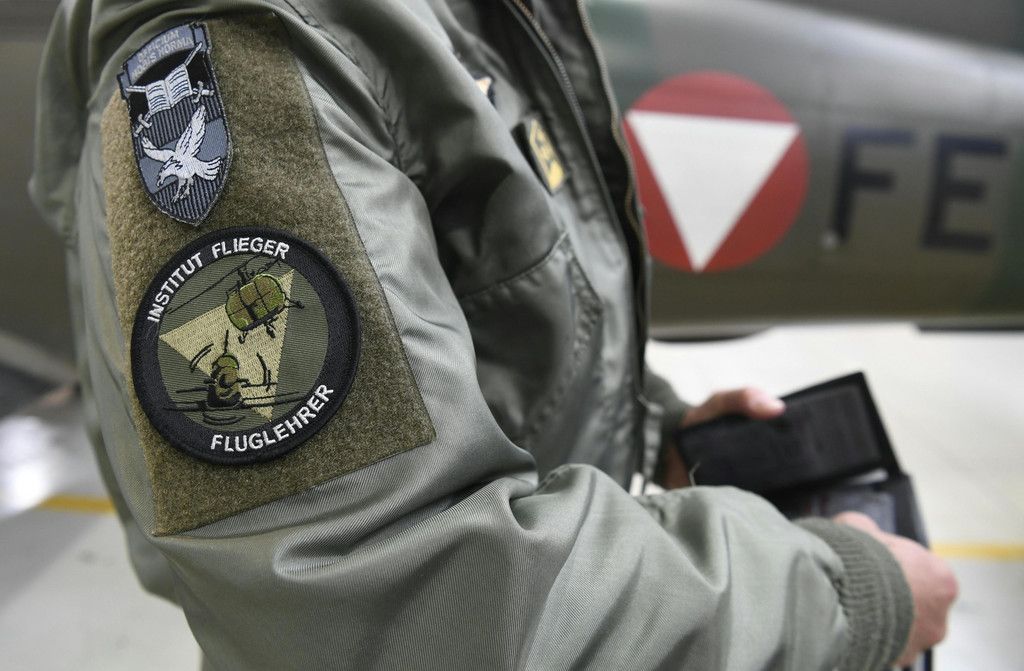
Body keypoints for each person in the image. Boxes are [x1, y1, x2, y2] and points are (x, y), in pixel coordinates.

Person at [31, 0, 955, 668]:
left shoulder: (466, 17)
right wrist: (841, 593)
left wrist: (651, 430)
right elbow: (378, 593)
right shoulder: (258, 35)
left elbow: (468, 314)